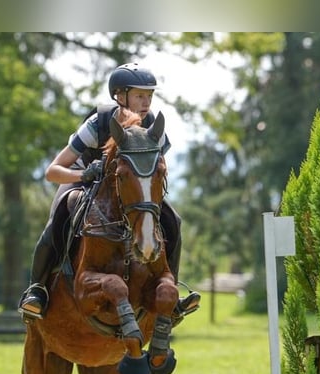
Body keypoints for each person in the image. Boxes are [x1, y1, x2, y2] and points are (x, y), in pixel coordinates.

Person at [19, 62, 200, 322]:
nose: (146, 102)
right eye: (140, 95)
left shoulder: (153, 127)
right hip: (82, 180)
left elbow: (158, 171)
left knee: (173, 219)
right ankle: (37, 290)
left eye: (149, 95)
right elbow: (53, 171)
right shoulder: (98, 123)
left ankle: (172, 293)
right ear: (119, 95)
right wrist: (84, 174)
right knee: (61, 211)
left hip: (129, 191)